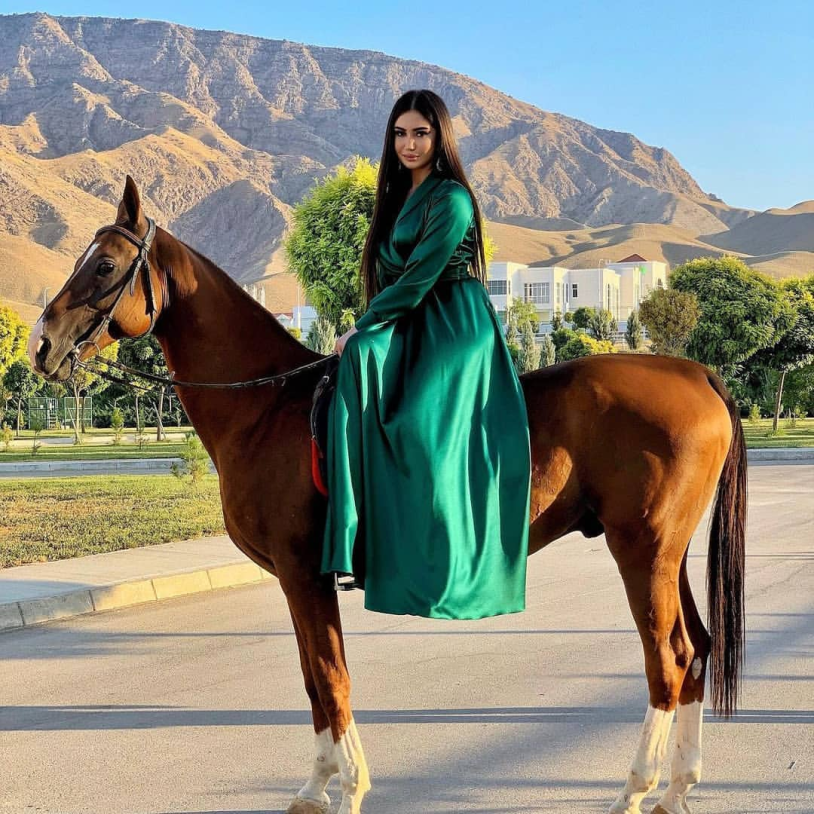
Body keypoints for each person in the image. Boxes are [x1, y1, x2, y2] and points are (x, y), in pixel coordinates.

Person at [321, 89, 532, 620]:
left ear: (440, 137)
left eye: (420, 133)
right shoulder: (394, 199)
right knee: (356, 367)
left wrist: (362, 326)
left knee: (415, 424)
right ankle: (350, 537)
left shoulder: (453, 199)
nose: (409, 143)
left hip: (454, 323)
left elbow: (418, 278)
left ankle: (441, 557)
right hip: (410, 319)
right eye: (400, 133)